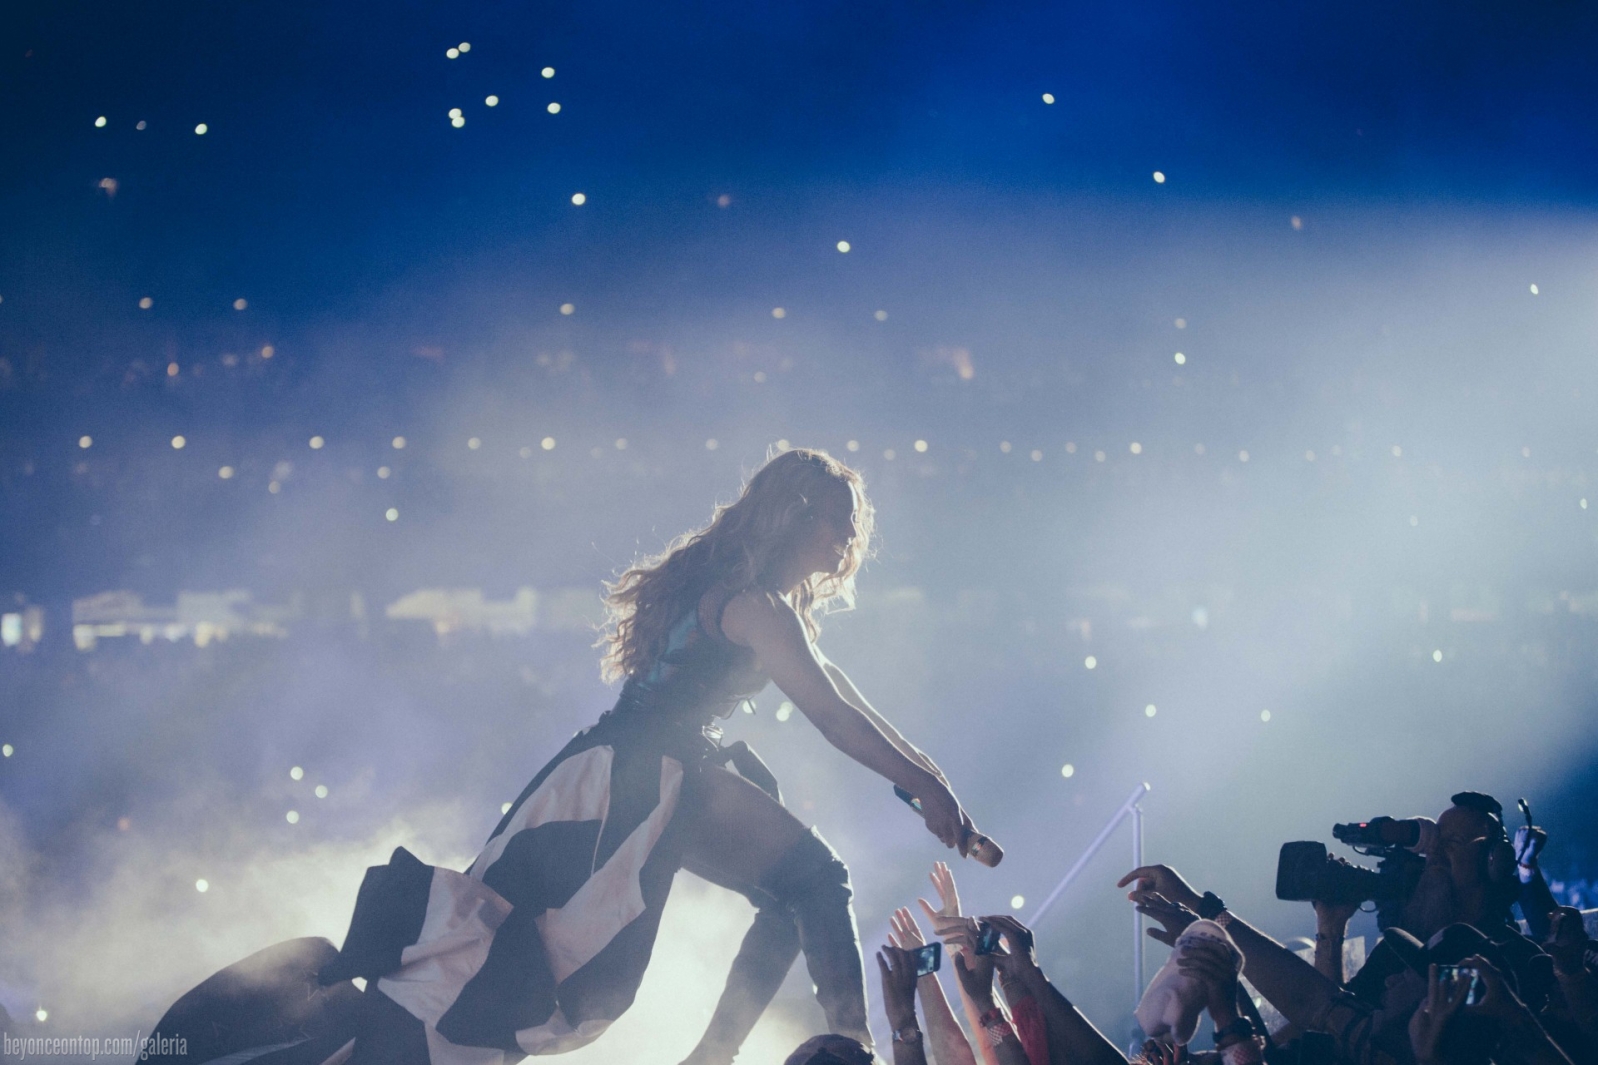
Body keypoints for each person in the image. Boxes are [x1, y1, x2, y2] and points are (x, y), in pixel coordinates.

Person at [318, 447, 985, 1065]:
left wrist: (932, 781)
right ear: (795, 516)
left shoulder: (755, 600)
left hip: (629, 770)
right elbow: (833, 718)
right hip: (643, 778)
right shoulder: (753, 606)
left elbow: (847, 700)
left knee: (780, 897)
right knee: (809, 882)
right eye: (837, 523)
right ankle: (847, 1042)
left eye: (851, 526)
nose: (846, 541)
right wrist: (926, 787)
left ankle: (729, 1054)